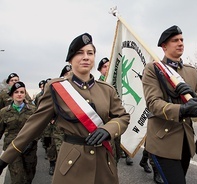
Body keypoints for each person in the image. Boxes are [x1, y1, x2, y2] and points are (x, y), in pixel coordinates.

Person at [0, 33, 130, 184]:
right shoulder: (57, 89)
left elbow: (123, 117)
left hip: (103, 161)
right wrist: (5, 159)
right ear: (70, 59)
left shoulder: (107, 90)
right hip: (72, 163)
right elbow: (33, 126)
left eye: (90, 53)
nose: (86, 57)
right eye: (80, 53)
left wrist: (109, 129)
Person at [141, 25, 197, 184]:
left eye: (182, 40)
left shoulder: (191, 71)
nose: (180, 43)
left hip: (185, 140)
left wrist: (192, 96)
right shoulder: (152, 69)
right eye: (175, 41)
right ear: (164, 47)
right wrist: (183, 109)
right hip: (163, 140)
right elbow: (154, 103)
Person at [97, 57, 133, 165]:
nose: (107, 69)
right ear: (99, 70)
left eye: (109, 66)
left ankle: (126, 154)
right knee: (107, 153)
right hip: (105, 123)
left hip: (118, 120)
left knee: (117, 151)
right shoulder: (97, 85)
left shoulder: (119, 82)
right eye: (104, 67)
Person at [0, 81, 38, 184]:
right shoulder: (4, 112)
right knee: (17, 178)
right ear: (12, 95)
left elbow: (39, 129)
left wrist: (32, 142)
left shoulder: (33, 111)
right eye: (16, 92)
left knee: (29, 176)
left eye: (22, 92)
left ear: (25, 94)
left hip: (29, 149)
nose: (19, 94)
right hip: (12, 149)